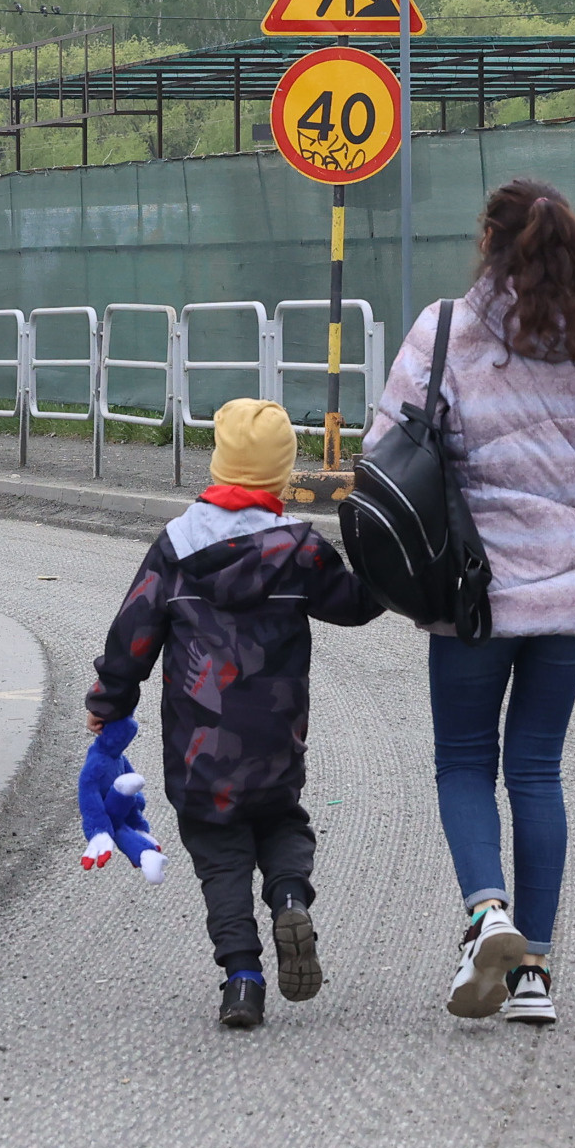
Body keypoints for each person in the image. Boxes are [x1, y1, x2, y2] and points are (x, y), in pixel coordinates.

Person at [368, 178, 575, 1025]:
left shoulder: (444, 331)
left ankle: (487, 912)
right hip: (570, 591)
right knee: (536, 770)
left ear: (489, 242)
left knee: (463, 762)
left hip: (473, 593)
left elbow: (393, 442)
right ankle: (533, 976)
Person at [89, 397, 382, 1030]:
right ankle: (287, 898)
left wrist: (108, 703)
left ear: (219, 464)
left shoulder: (176, 546)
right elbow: (355, 604)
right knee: (283, 826)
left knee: (219, 854)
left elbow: (133, 634)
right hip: (276, 738)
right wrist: (392, 562)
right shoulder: (301, 548)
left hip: (200, 752)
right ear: (281, 477)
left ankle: (242, 981)